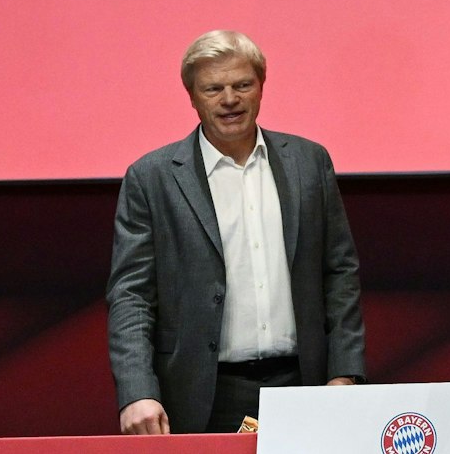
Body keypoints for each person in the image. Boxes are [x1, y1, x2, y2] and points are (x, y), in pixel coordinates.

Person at [105, 31, 366, 434]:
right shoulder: (151, 178)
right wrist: (138, 390)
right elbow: (131, 296)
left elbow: (340, 274)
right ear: (191, 96)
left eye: (242, 84)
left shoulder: (309, 163)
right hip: (199, 395)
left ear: (261, 87)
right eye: (213, 88)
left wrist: (345, 372)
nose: (230, 99)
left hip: (305, 386)